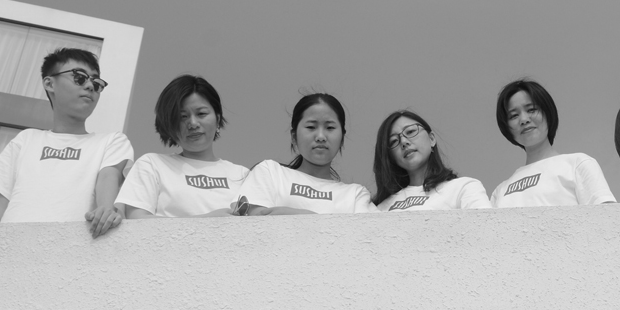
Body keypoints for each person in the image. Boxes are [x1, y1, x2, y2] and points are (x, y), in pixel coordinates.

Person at [0, 48, 133, 245]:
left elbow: (109, 177)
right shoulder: (26, 140)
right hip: (9, 251)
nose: (89, 86)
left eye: (96, 83)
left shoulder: (111, 141)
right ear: (49, 83)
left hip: (70, 252)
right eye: (79, 77)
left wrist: (106, 208)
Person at [115, 75, 249, 218]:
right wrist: (207, 221)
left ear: (218, 118)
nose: (193, 124)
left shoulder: (243, 175)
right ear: (169, 124)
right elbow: (137, 220)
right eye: (182, 117)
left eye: (201, 114)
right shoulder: (151, 165)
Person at [236, 93, 374, 215]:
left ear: (342, 137)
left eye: (330, 127)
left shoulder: (355, 195)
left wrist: (284, 213)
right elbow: (252, 219)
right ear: (294, 136)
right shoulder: (270, 173)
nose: (321, 137)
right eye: (311, 127)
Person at [489, 79, 616, 207]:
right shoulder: (499, 192)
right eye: (514, 116)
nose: (524, 119)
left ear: (547, 113)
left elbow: (607, 216)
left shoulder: (578, 165)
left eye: (531, 110)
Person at [371, 110, 490, 211]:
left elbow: (485, 227)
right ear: (391, 157)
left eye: (410, 132)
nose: (404, 142)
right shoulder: (381, 209)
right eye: (393, 141)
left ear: (432, 139)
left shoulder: (463, 188)